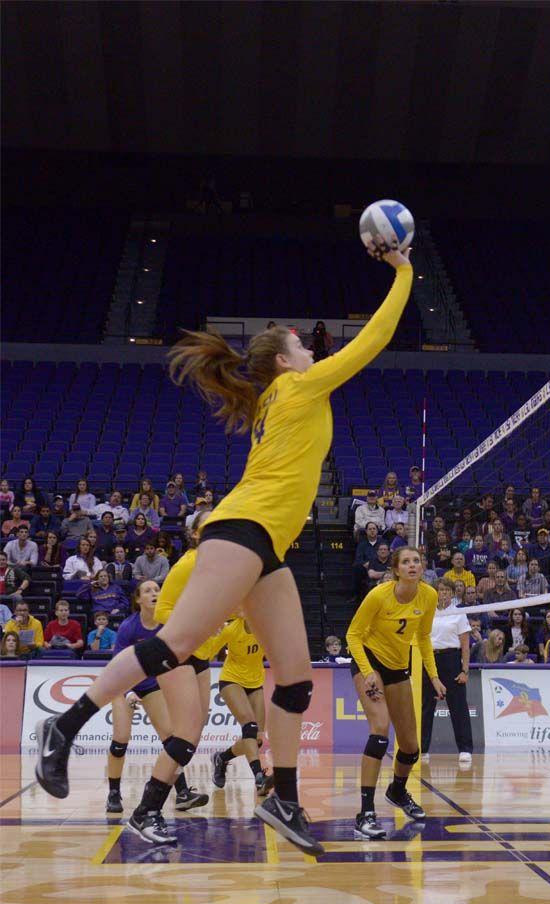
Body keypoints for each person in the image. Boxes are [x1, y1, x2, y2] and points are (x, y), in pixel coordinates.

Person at [35, 239, 413, 859]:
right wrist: (403, 271)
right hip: (243, 529)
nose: (311, 349)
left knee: (294, 678)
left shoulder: (279, 394)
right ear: (287, 362)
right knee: (174, 644)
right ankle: (66, 723)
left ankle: (282, 796)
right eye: (302, 345)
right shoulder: (297, 389)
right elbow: (373, 339)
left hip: (268, 546)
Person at [346, 547, 445, 839]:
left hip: (398, 666)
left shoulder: (429, 595)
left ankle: (397, 791)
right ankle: (364, 814)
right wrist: (366, 673)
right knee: (379, 731)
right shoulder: (379, 595)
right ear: (396, 570)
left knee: (411, 747)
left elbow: (424, 637)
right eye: (406, 562)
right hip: (369, 659)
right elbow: (352, 635)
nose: (412, 565)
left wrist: (434, 677)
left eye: (416, 561)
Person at [105, 580, 207, 818]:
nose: (154, 593)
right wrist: (129, 692)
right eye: (148, 590)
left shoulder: (167, 625)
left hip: (151, 684)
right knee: (121, 738)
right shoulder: (129, 628)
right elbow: (118, 667)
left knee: (172, 737)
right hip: (123, 685)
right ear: (138, 599)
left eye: (157, 590)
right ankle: (113, 793)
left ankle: (182, 793)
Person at [211, 616, 274, 795]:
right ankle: (258, 777)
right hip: (231, 680)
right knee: (250, 726)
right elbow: (208, 651)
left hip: (255, 683)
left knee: (257, 740)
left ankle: (221, 758)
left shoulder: (266, 628)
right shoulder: (231, 629)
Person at [421, 580, 472, 763]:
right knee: (426, 707)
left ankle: (465, 749)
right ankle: (422, 749)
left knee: (458, 707)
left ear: (452, 593)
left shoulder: (459, 613)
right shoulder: (427, 612)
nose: (442, 593)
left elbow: (465, 645)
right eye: (439, 590)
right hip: (429, 660)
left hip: (451, 660)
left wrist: (464, 670)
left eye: (446, 590)